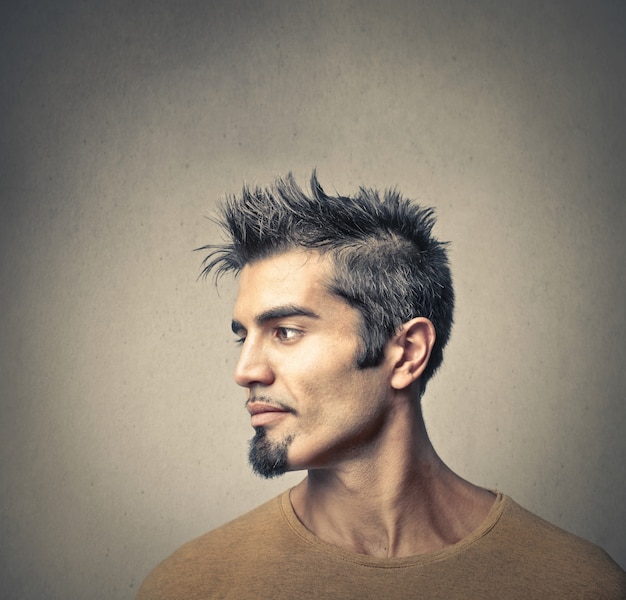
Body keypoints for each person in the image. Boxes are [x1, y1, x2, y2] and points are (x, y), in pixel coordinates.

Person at [137, 173, 626, 599]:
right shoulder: (190, 587)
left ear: (408, 352)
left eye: (285, 331)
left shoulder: (577, 585)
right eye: (244, 335)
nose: (245, 370)